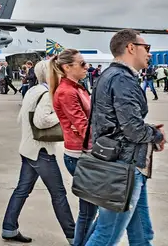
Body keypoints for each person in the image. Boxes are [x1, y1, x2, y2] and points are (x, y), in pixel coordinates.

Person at [84, 29, 166, 245]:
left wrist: (147, 131)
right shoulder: (122, 79)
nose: (149, 53)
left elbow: (117, 122)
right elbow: (133, 130)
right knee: (106, 235)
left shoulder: (108, 75)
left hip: (123, 164)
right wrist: (156, 135)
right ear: (131, 48)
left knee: (142, 234)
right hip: (124, 168)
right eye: (146, 48)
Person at [1, 60, 75, 244]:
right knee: (58, 194)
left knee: (22, 190)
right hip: (41, 151)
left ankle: (9, 228)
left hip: (28, 149)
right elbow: (41, 121)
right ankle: (74, 236)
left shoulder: (33, 90)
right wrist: (62, 113)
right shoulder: (48, 93)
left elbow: (21, 119)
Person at [50, 49, 96, 246]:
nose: (87, 67)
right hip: (80, 156)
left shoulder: (77, 88)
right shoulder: (67, 92)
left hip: (84, 154)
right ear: (67, 67)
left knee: (94, 210)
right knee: (91, 211)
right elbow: (83, 126)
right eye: (83, 64)